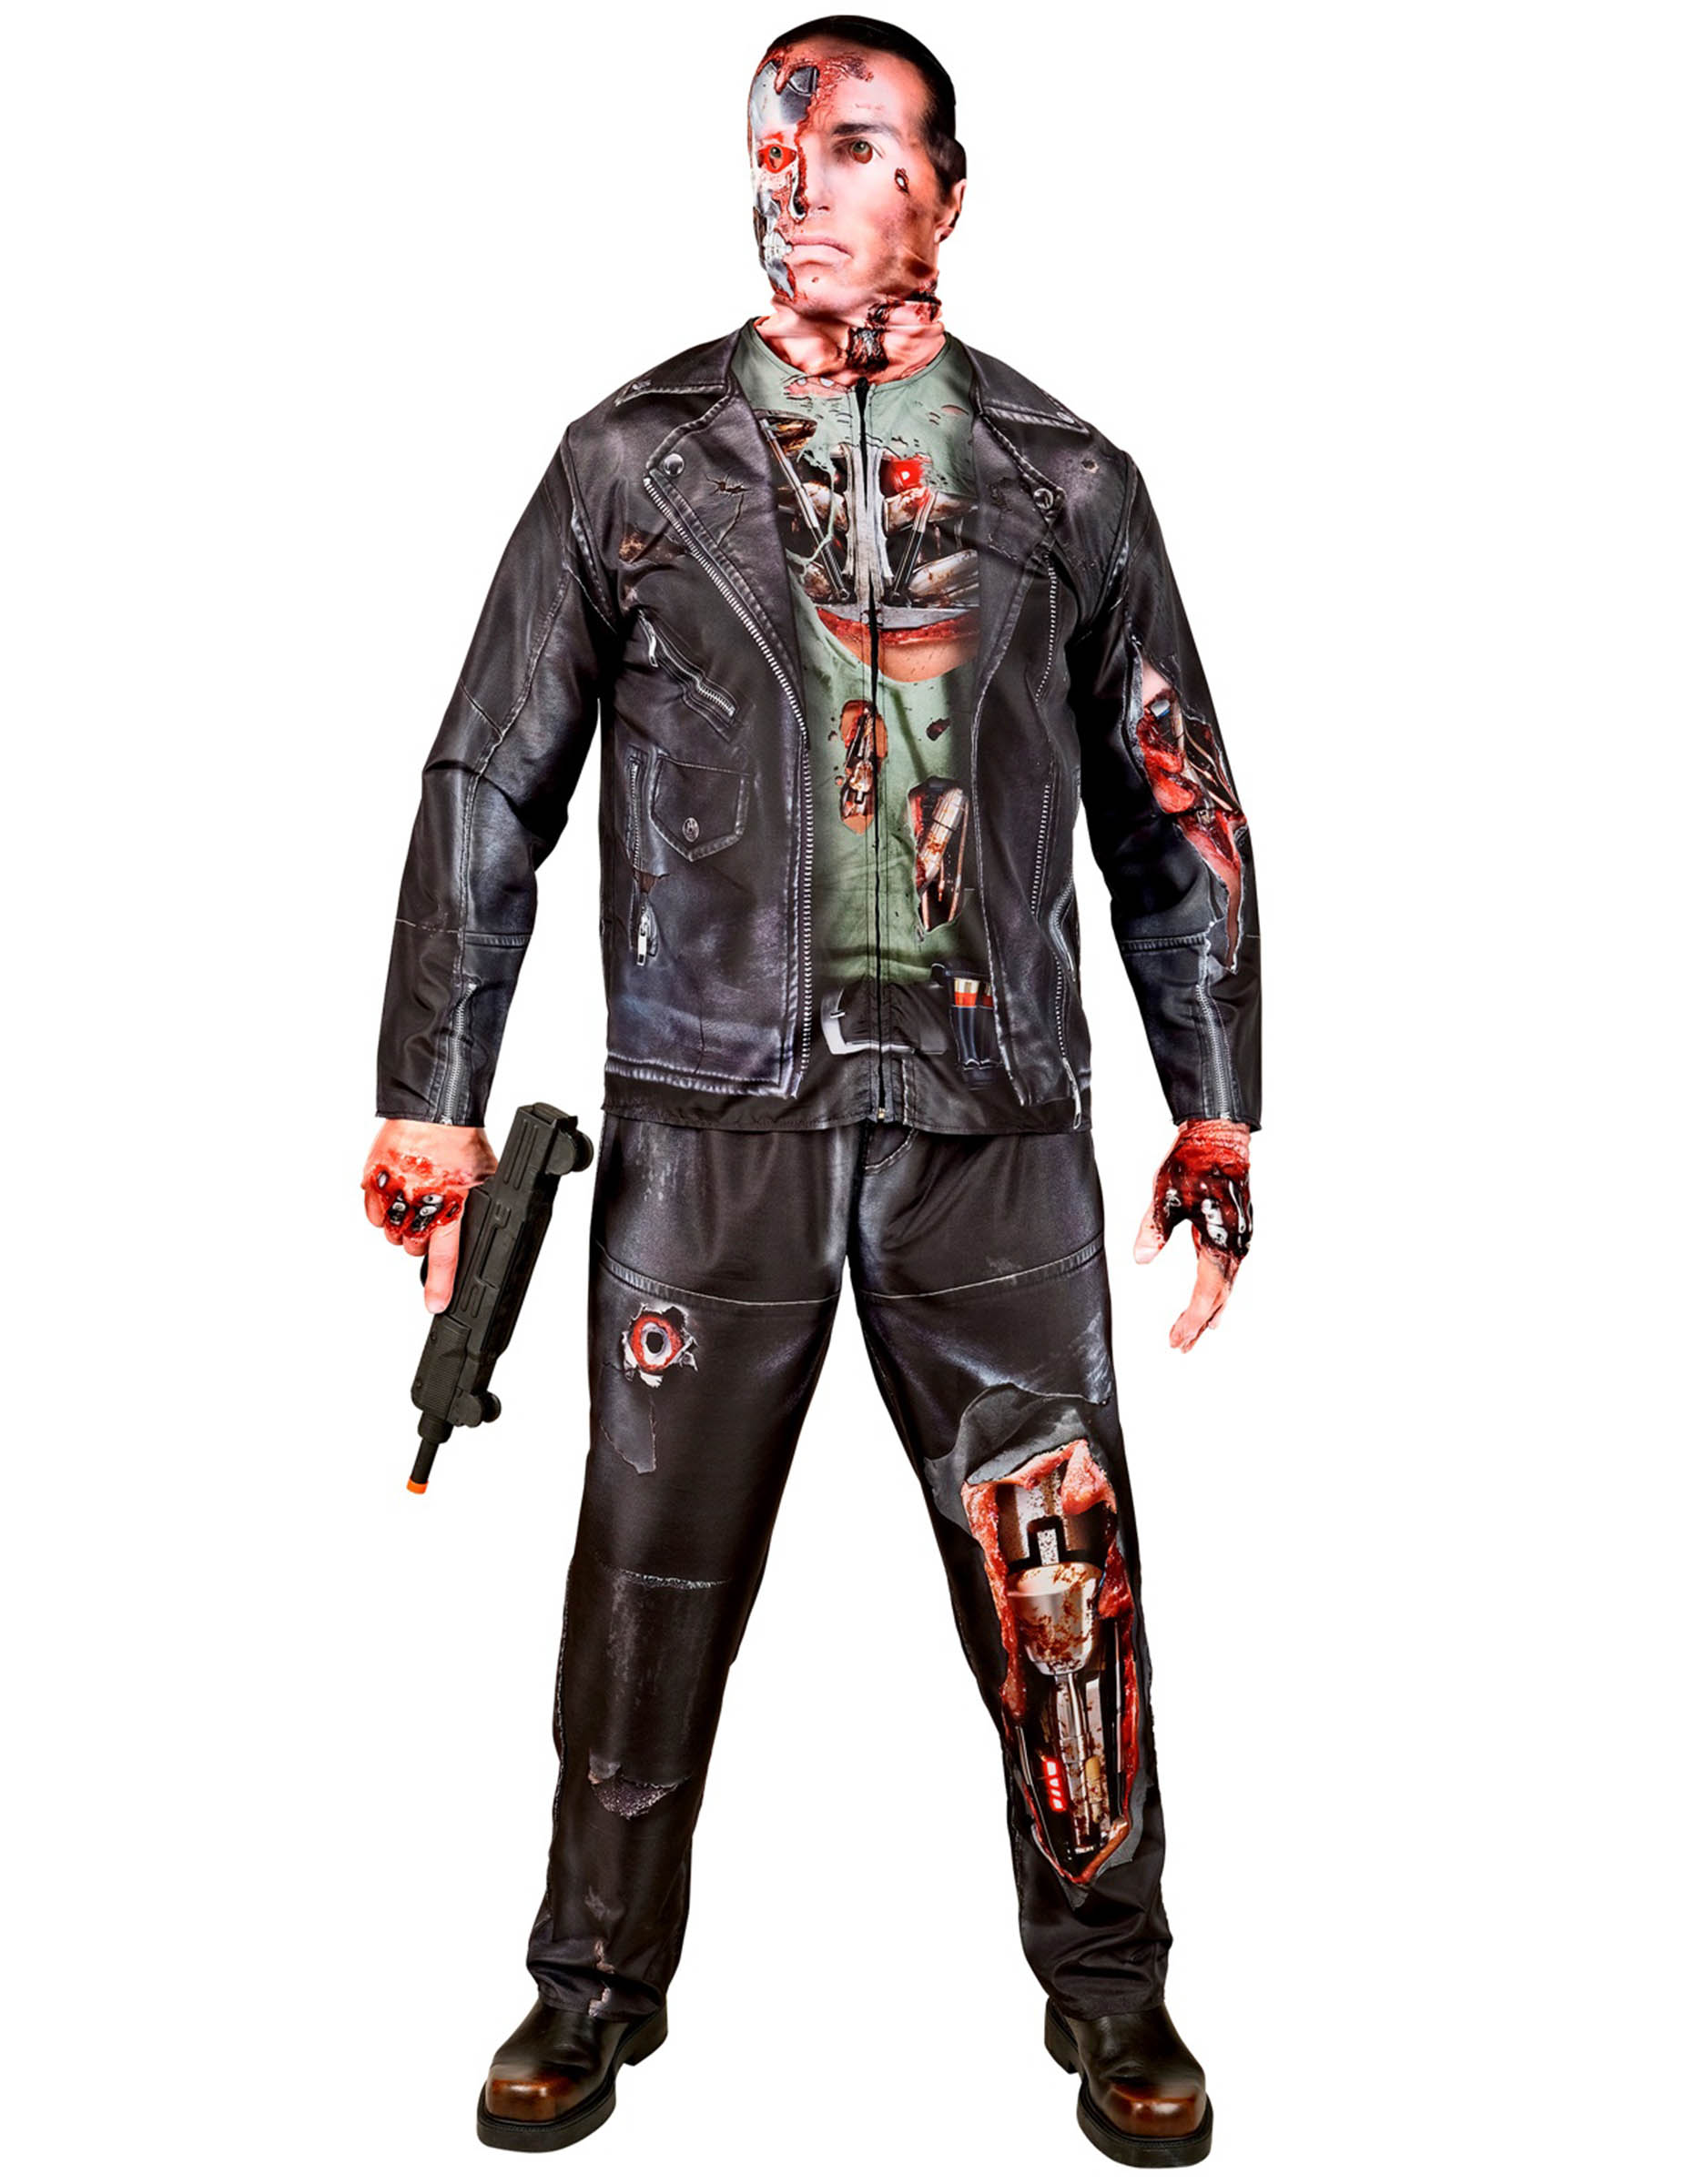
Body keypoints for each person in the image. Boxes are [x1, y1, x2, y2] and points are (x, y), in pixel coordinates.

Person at [363, 15, 1260, 2167]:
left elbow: (1176, 808)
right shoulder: (629, 465)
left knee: (1059, 1572)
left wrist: (1213, 1107)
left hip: (992, 1128)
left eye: (854, 145)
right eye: (776, 145)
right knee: (646, 1576)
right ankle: (589, 1986)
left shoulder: (1066, 484)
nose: (801, 181)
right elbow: (490, 781)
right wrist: (429, 1101)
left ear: (949, 187)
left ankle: (1113, 1990)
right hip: (704, 1123)